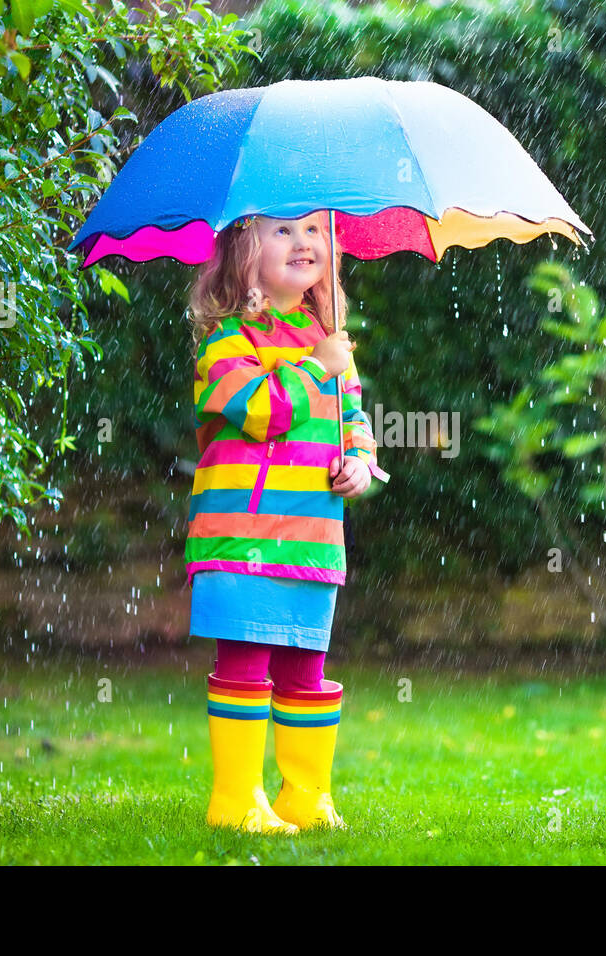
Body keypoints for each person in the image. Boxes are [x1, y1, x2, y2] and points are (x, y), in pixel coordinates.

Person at [185, 210, 390, 834]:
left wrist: (359, 460)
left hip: (314, 539)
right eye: (283, 231)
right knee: (246, 662)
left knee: (305, 668)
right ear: (244, 251)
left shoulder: (329, 342)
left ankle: (306, 794)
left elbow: (352, 418)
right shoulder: (227, 341)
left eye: (314, 231)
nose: (305, 243)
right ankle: (236, 799)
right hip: (241, 538)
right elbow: (260, 412)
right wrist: (318, 366)